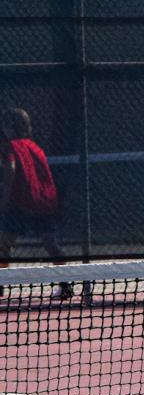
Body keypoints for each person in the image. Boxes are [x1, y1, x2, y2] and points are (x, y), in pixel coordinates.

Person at [0, 107, 70, 300]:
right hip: (43, 202)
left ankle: (0, 284)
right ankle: (66, 284)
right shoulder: (35, 147)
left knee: (4, 243)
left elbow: (11, 171)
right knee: (50, 243)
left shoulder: (9, 147)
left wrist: (4, 200)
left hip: (21, 203)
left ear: (10, 126)